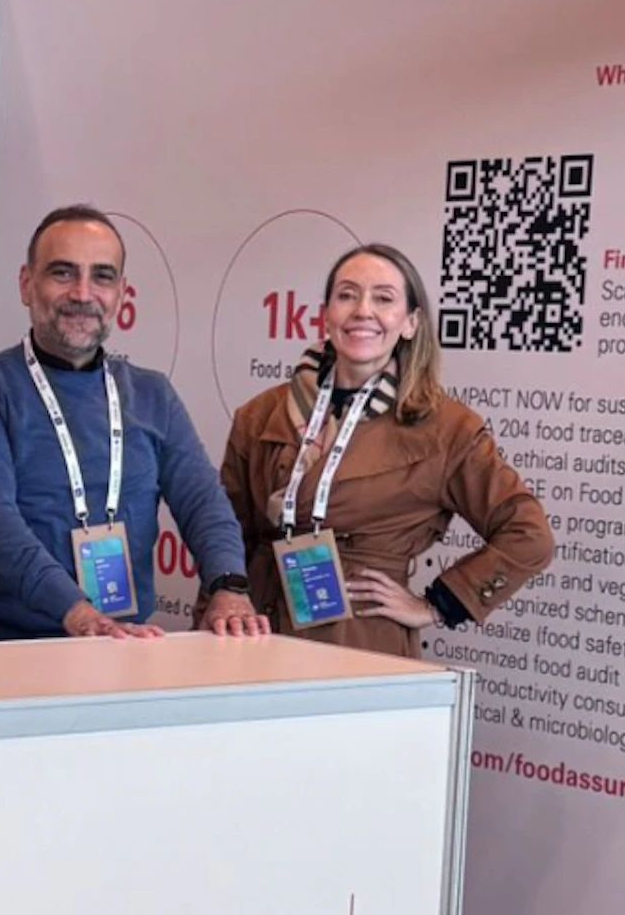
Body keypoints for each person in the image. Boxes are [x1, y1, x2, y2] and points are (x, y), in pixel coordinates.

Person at [211, 242, 554, 657]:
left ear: (410, 323)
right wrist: (215, 610)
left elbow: (529, 534)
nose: (363, 311)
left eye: (384, 299)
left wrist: (438, 605)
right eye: (347, 295)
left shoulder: (447, 428)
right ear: (326, 315)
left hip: (359, 641)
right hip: (255, 631)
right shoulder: (260, 414)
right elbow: (225, 533)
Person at [0, 205, 267, 641]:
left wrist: (228, 586)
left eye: (102, 276)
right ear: (26, 284)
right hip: (11, 648)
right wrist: (77, 613)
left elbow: (203, 501)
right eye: (62, 273)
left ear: (121, 292)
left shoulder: (152, 394)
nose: (82, 294)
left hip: (122, 646)